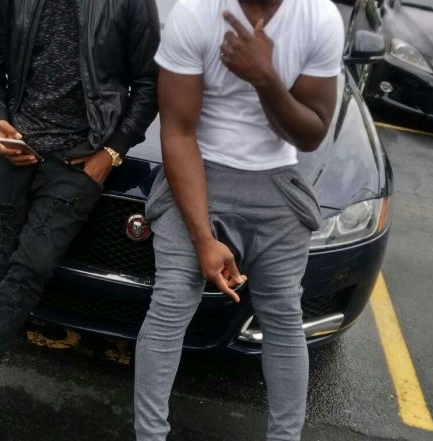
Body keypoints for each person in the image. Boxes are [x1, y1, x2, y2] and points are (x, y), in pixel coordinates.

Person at [0, 1, 160, 440]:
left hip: (78, 163)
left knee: (31, 269)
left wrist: (110, 154)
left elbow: (148, 84)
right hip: (14, 153)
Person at [134, 0, 344, 440]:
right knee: (171, 303)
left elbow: (311, 134)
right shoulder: (195, 12)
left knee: (283, 315)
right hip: (199, 171)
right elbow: (177, 132)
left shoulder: (319, 17)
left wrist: (265, 78)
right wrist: (202, 238)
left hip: (276, 179)